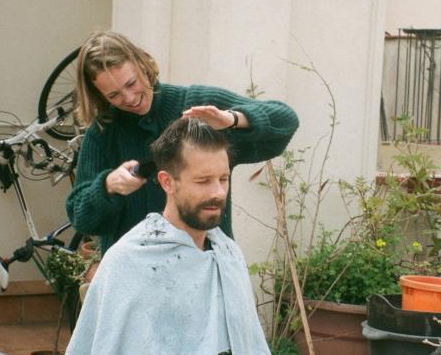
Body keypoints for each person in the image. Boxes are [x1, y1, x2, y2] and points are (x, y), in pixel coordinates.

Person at [60, 119, 409, 355]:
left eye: (223, 179)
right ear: (167, 182)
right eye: (202, 181)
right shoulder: (131, 261)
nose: (217, 193)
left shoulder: (225, 252)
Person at [66, 31, 298, 269]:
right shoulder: (104, 131)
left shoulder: (193, 103)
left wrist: (231, 120)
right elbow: (82, 217)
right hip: (135, 276)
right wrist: (108, 186)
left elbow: (285, 121)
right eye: (114, 95)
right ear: (99, 96)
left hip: (205, 269)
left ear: (142, 64)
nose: (130, 98)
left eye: (131, 83)